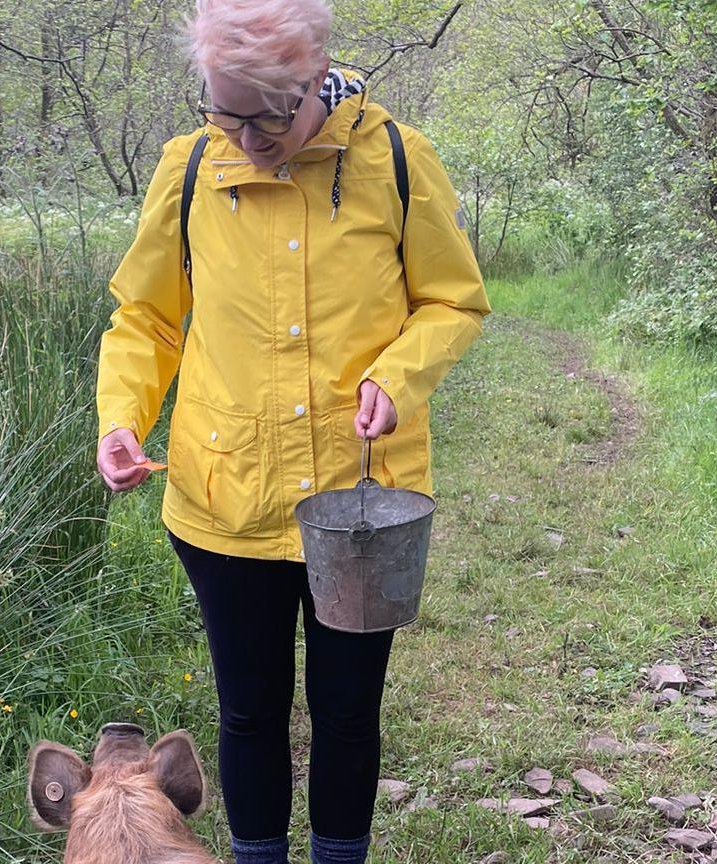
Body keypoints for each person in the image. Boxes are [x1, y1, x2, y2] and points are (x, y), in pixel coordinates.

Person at [93, 1, 490, 861]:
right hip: (223, 494)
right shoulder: (190, 167)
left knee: (349, 712)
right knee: (247, 709)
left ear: (315, 79)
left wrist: (399, 372)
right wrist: (122, 417)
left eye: (267, 114)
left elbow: (453, 301)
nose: (246, 136)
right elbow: (148, 317)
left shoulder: (396, 160)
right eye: (224, 111)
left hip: (361, 505)